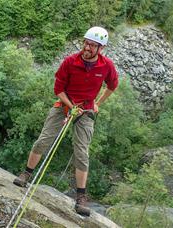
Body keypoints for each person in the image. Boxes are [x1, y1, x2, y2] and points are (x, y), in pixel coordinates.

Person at [13, 26, 118, 216]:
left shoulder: (106, 66)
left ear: (100, 48)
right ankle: (26, 174)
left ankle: (81, 197)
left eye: (92, 45)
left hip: (85, 110)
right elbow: (58, 89)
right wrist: (70, 106)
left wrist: (97, 104)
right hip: (63, 105)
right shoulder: (70, 61)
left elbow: (112, 85)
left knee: (82, 152)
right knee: (43, 140)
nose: (87, 48)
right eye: (86, 43)